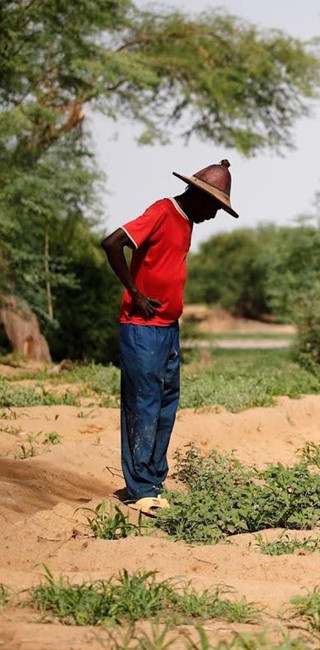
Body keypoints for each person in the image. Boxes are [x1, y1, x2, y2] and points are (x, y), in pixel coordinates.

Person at [101, 160, 238, 516]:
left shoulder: (187, 223)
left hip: (168, 329)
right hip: (142, 328)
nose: (215, 215)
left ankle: (154, 480)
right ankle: (140, 487)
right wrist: (136, 293)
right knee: (143, 404)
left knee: (164, 405)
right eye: (215, 207)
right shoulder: (163, 210)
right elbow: (113, 242)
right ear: (198, 195)